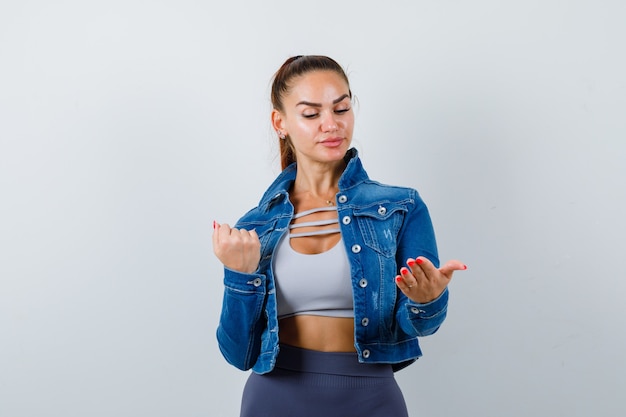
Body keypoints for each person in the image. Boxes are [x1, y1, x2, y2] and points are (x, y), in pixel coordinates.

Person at [212, 55, 466, 417]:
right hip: (275, 399)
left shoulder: (400, 207)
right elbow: (239, 354)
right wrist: (238, 276)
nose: (331, 125)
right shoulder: (256, 226)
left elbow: (421, 324)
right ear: (279, 122)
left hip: (371, 398)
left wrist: (428, 301)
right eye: (311, 114)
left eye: (341, 108)